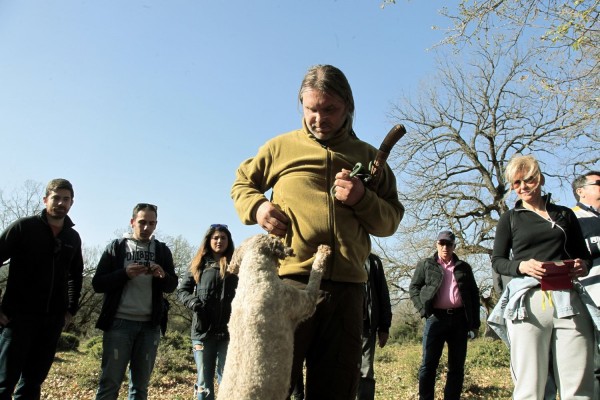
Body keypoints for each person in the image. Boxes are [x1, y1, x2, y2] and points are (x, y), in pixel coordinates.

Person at [231, 64, 404, 399]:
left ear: (348, 109)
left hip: (347, 292)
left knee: (337, 390)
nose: (320, 118)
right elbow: (242, 183)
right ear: (301, 105)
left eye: (330, 110)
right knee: (273, 388)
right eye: (311, 109)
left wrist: (362, 198)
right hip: (288, 284)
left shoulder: (369, 158)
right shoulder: (280, 148)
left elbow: (390, 220)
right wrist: (258, 208)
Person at [489, 154, 594, 399]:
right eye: (516, 183)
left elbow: (584, 256)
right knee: (530, 386)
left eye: (529, 180)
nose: (523, 187)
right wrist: (522, 266)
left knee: (579, 383)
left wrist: (583, 265)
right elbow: (498, 261)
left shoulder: (565, 215)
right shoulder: (510, 218)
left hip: (569, 300)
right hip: (529, 302)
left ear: (540, 179)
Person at [0, 178, 83, 399]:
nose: (61, 203)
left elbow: (76, 276)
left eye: (66, 199)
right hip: (17, 318)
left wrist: (70, 310)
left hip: (52, 322)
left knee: (32, 383)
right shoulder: (23, 227)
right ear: (46, 199)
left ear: (72, 203)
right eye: (56, 198)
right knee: (4, 383)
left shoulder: (72, 238)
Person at [92, 203, 178, 400]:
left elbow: (171, 286)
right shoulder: (116, 247)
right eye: (142, 222)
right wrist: (124, 274)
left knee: (140, 388)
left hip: (150, 326)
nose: (146, 227)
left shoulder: (162, 251)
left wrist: (162, 275)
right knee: (109, 384)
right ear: (132, 222)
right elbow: (98, 283)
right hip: (118, 324)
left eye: (151, 223)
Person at [409, 231, 480, 400]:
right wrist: (423, 310)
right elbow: (414, 288)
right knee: (428, 365)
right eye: (441, 244)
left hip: (459, 321)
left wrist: (474, 324)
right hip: (435, 319)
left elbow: (473, 295)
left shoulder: (464, 267)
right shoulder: (426, 265)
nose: (445, 247)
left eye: (448, 244)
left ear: (454, 246)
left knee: (456, 367)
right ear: (436, 245)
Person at [177, 224, 238, 400]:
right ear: (209, 240)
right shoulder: (198, 264)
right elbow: (182, 291)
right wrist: (193, 302)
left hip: (229, 332)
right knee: (204, 382)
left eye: (223, 238)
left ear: (228, 241)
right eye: (215, 238)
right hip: (202, 332)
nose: (219, 241)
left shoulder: (236, 265)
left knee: (227, 379)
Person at [572, 171, 600, 398]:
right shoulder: (570, 219)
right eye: (598, 184)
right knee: (595, 365)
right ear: (580, 191)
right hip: (590, 298)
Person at [357, 253, 392, 400]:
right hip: (340, 325)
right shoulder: (339, 256)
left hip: (366, 326)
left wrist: (384, 327)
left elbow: (383, 293)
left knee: (365, 371)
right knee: (340, 370)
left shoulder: (373, 261)